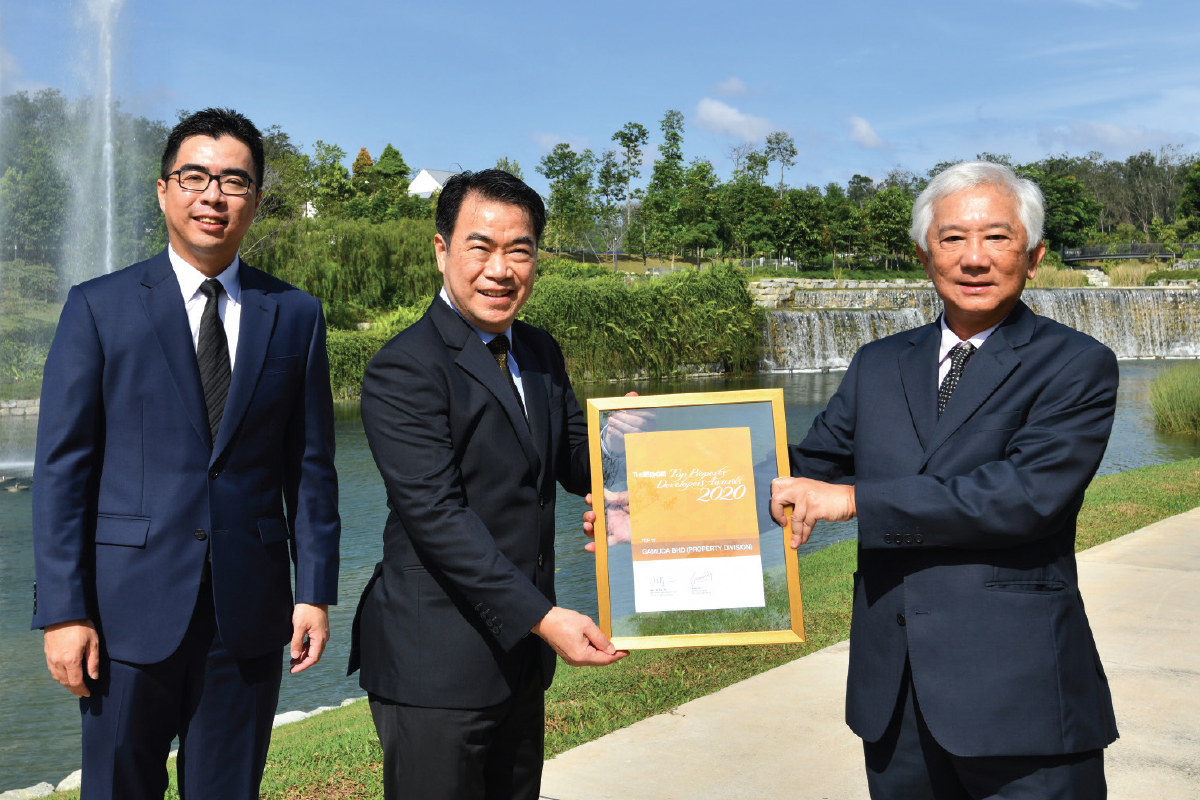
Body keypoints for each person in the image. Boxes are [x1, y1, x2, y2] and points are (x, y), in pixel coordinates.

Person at [770, 161, 1119, 799]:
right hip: (894, 698)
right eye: (953, 237)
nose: (974, 258)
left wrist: (856, 501)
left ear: (1034, 256)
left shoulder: (1075, 364)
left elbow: (1023, 498)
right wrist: (667, 490)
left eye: (997, 237)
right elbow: (807, 468)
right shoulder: (878, 363)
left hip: (1021, 699)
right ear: (924, 255)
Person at [32, 108, 341, 800]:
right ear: (164, 189)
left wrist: (315, 590)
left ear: (256, 200)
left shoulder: (294, 314)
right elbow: (61, 472)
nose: (213, 195)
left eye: (235, 181)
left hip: (250, 615)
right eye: (195, 176)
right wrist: (63, 610)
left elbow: (312, 467)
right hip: (122, 614)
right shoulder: (98, 307)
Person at [348, 169, 625, 800]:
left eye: (519, 250)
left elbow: (573, 455)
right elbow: (437, 519)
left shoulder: (539, 349)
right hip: (435, 664)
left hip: (520, 661)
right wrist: (545, 617)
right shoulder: (404, 367)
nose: (500, 269)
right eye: (481, 247)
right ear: (442, 249)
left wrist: (631, 440)